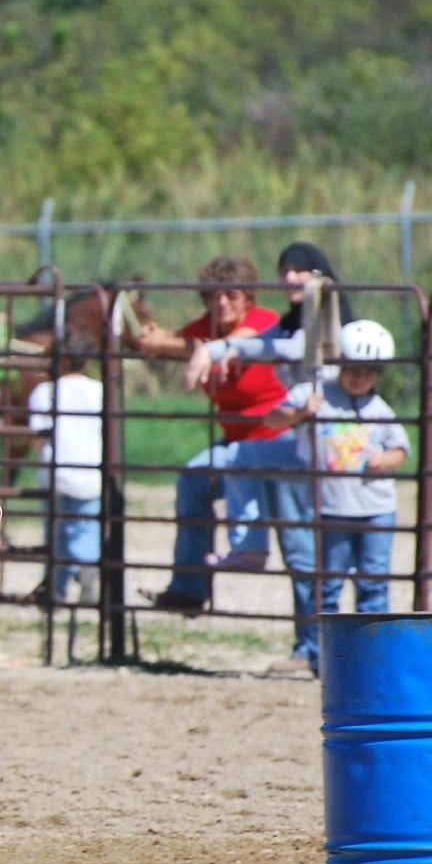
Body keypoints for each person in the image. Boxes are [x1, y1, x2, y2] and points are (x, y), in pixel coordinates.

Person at [181, 242, 352, 672]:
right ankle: (252, 553)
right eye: (286, 270)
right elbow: (266, 345)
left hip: (321, 448)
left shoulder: (327, 323)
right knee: (240, 461)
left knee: (303, 550)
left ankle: (314, 649)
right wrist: (215, 350)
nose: (291, 278)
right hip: (298, 444)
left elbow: (289, 352)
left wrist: (224, 349)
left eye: (301, 270)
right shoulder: (299, 320)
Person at [140, 256, 286, 611]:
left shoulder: (263, 322)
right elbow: (180, 339)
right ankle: (188, 589)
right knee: (193, 481)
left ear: (248, 297)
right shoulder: (208, 326)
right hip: (237, 442)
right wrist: (152, 337)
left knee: (296, 537)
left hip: (278, 439)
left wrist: (168, 345)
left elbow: (234, 342)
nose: (222, 303)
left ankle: (311, 639)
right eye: (214, 296)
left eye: (231, 295)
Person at [254, 319, 409, 616]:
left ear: (378, 375)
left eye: (368, 372)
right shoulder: (315, 394)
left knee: (373, 585)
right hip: (332, 509)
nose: (359, 377)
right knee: (327, 586)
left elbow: (400, 449)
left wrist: (384, 461)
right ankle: (322, 655)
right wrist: (300, 413)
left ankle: (369, 656)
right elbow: (272, 418)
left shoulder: (380, 410)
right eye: (353, 368)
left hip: (375, 509)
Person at [25, 332, 104, 604]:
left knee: (57, 533)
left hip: (56, 474)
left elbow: (38, 438)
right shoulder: (99, 391)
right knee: (86, 526)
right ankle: (87, 571)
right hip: (91, 474)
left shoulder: (45, 392)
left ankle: (56, 589)